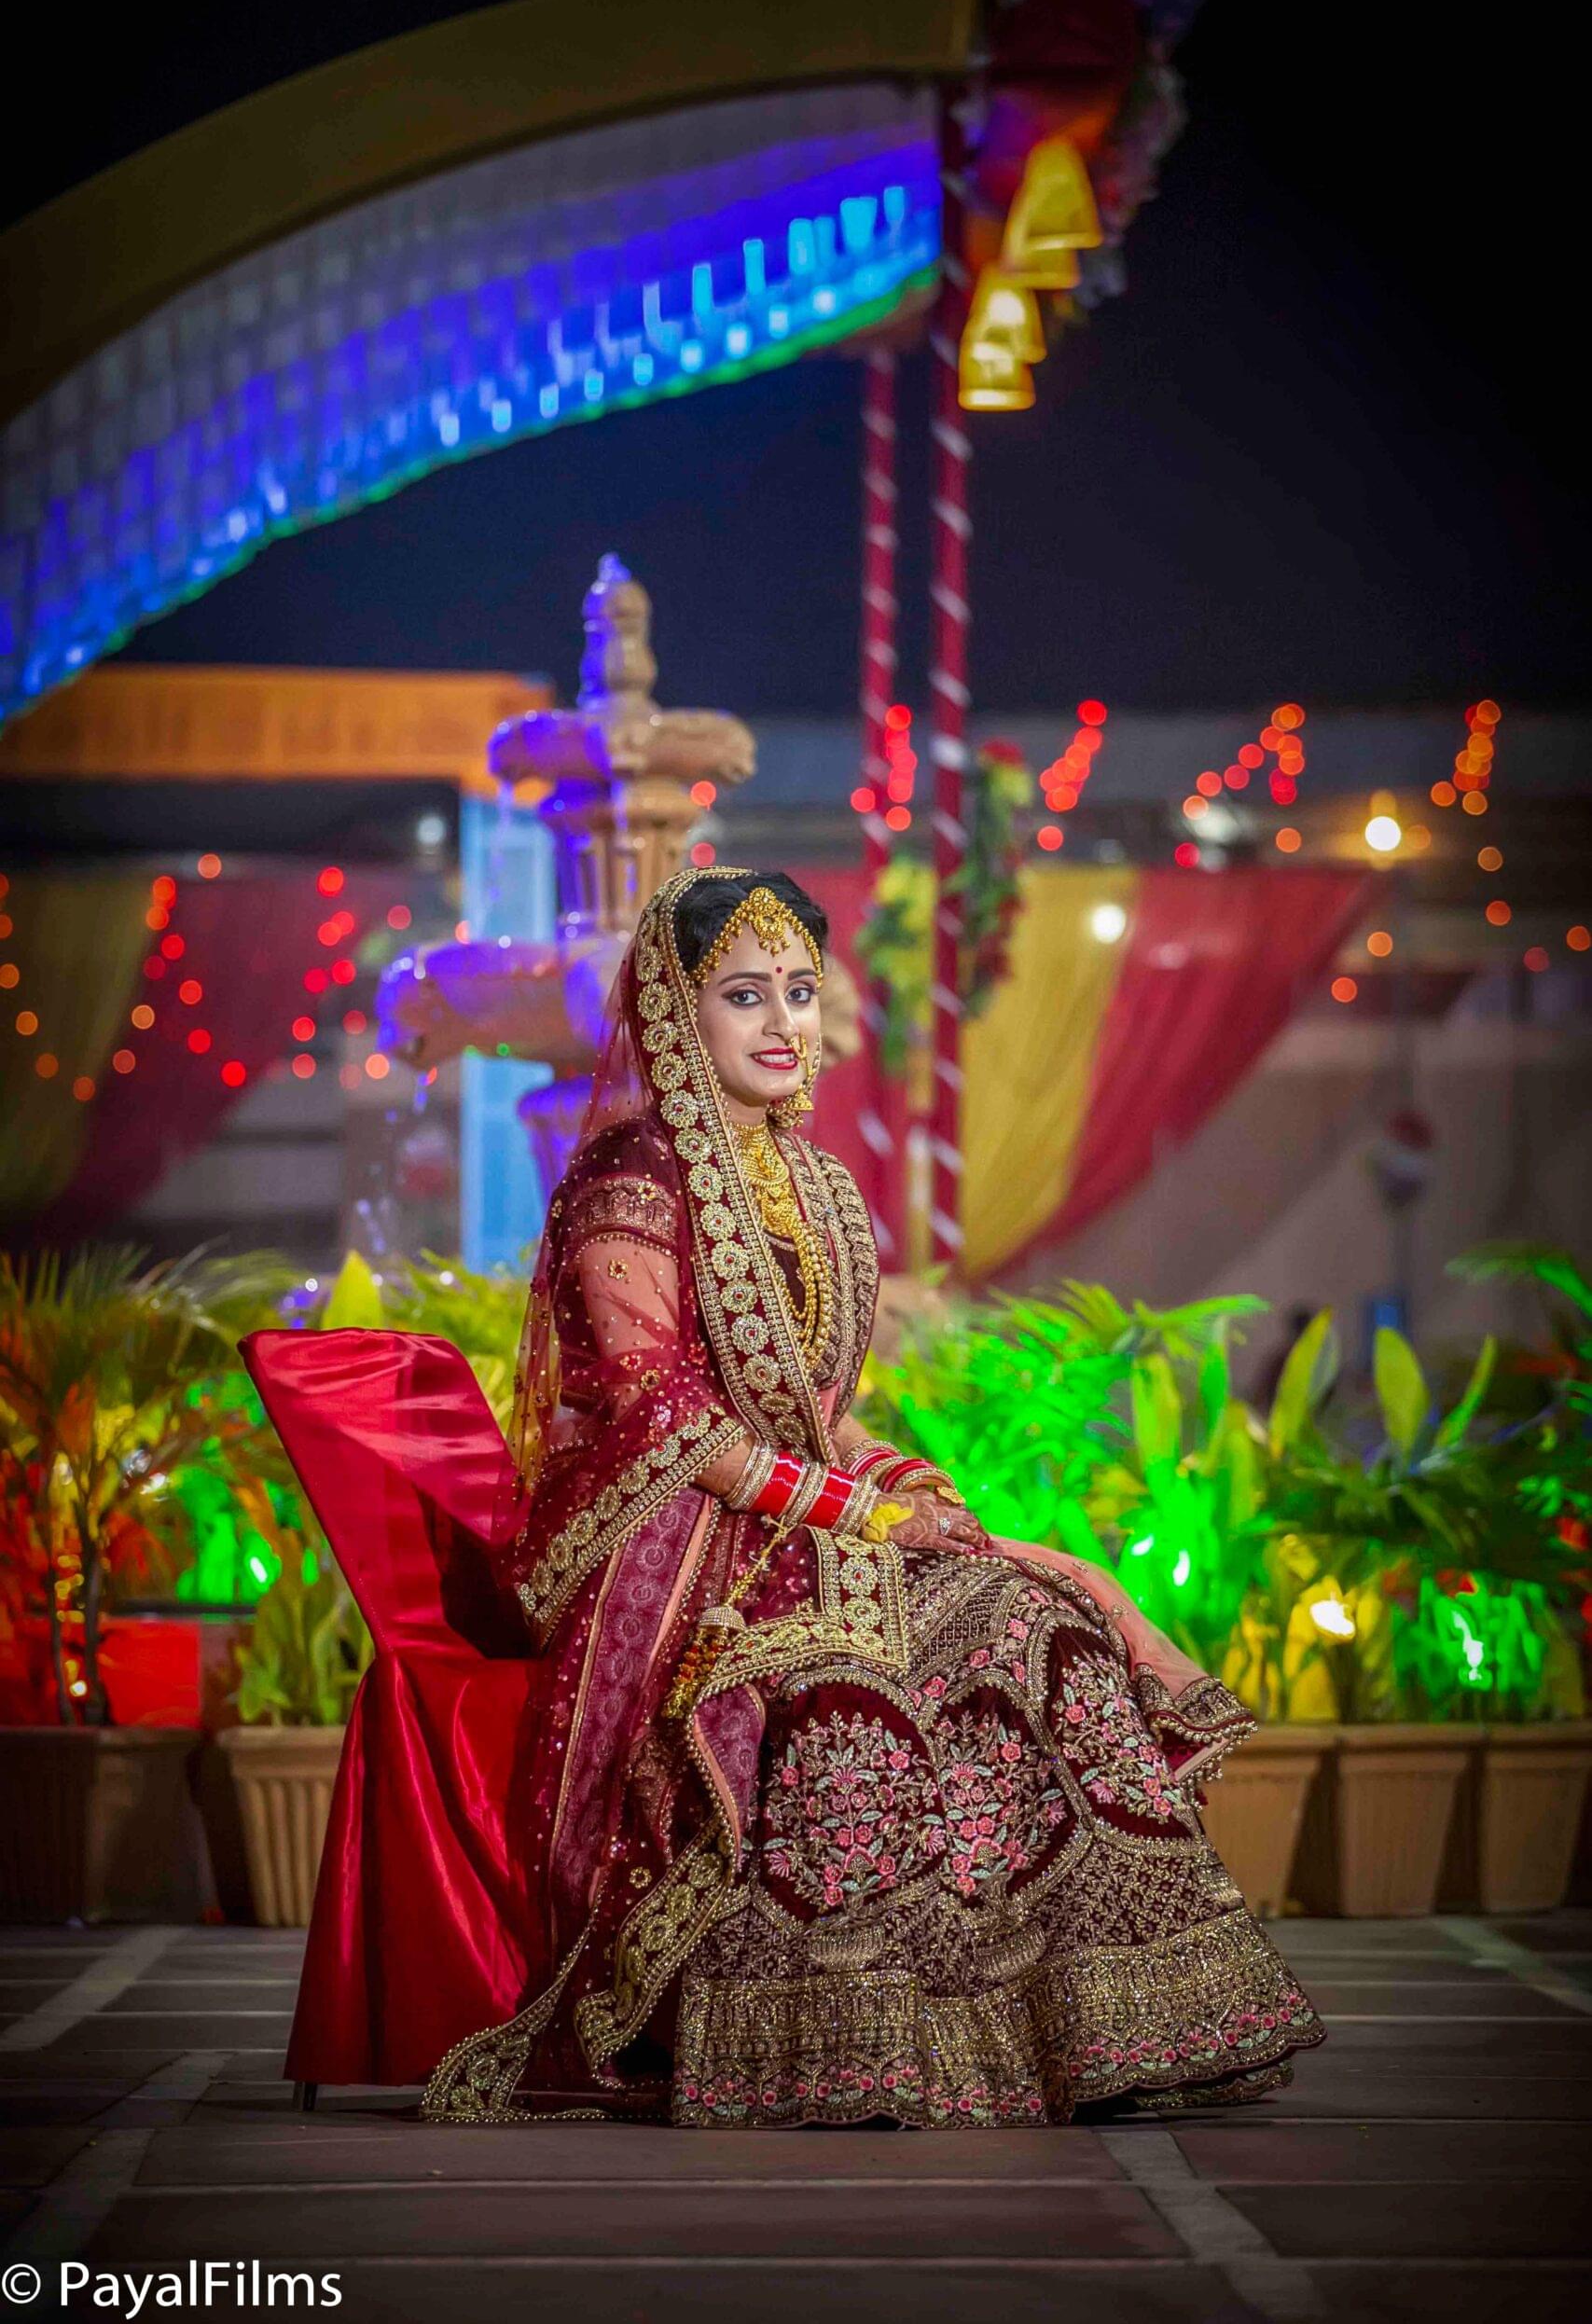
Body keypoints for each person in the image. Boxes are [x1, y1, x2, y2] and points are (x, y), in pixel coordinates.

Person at [420, 865, 1322, 2127]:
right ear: (680, 1014)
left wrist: (906, 1484)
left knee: (1035, 1613)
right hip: (674, 1546)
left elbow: (812, 1407)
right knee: (879, 1674)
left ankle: (1077, 2020)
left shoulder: (817, 1186)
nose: (785, 1021)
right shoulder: (630, 1183)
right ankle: (825, 2037)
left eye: (799, 990)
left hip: (796, 1514)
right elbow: (663, 1419)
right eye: (746, 995)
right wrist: (863, 1516)